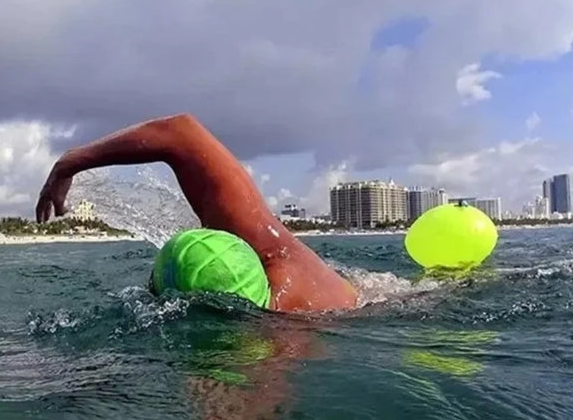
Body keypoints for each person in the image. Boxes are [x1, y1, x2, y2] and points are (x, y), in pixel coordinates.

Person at [36, 112, 358, 313]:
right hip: (361, 296)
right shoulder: (275, 251)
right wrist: (71, 163)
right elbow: (181, 133)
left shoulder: (284, 337)